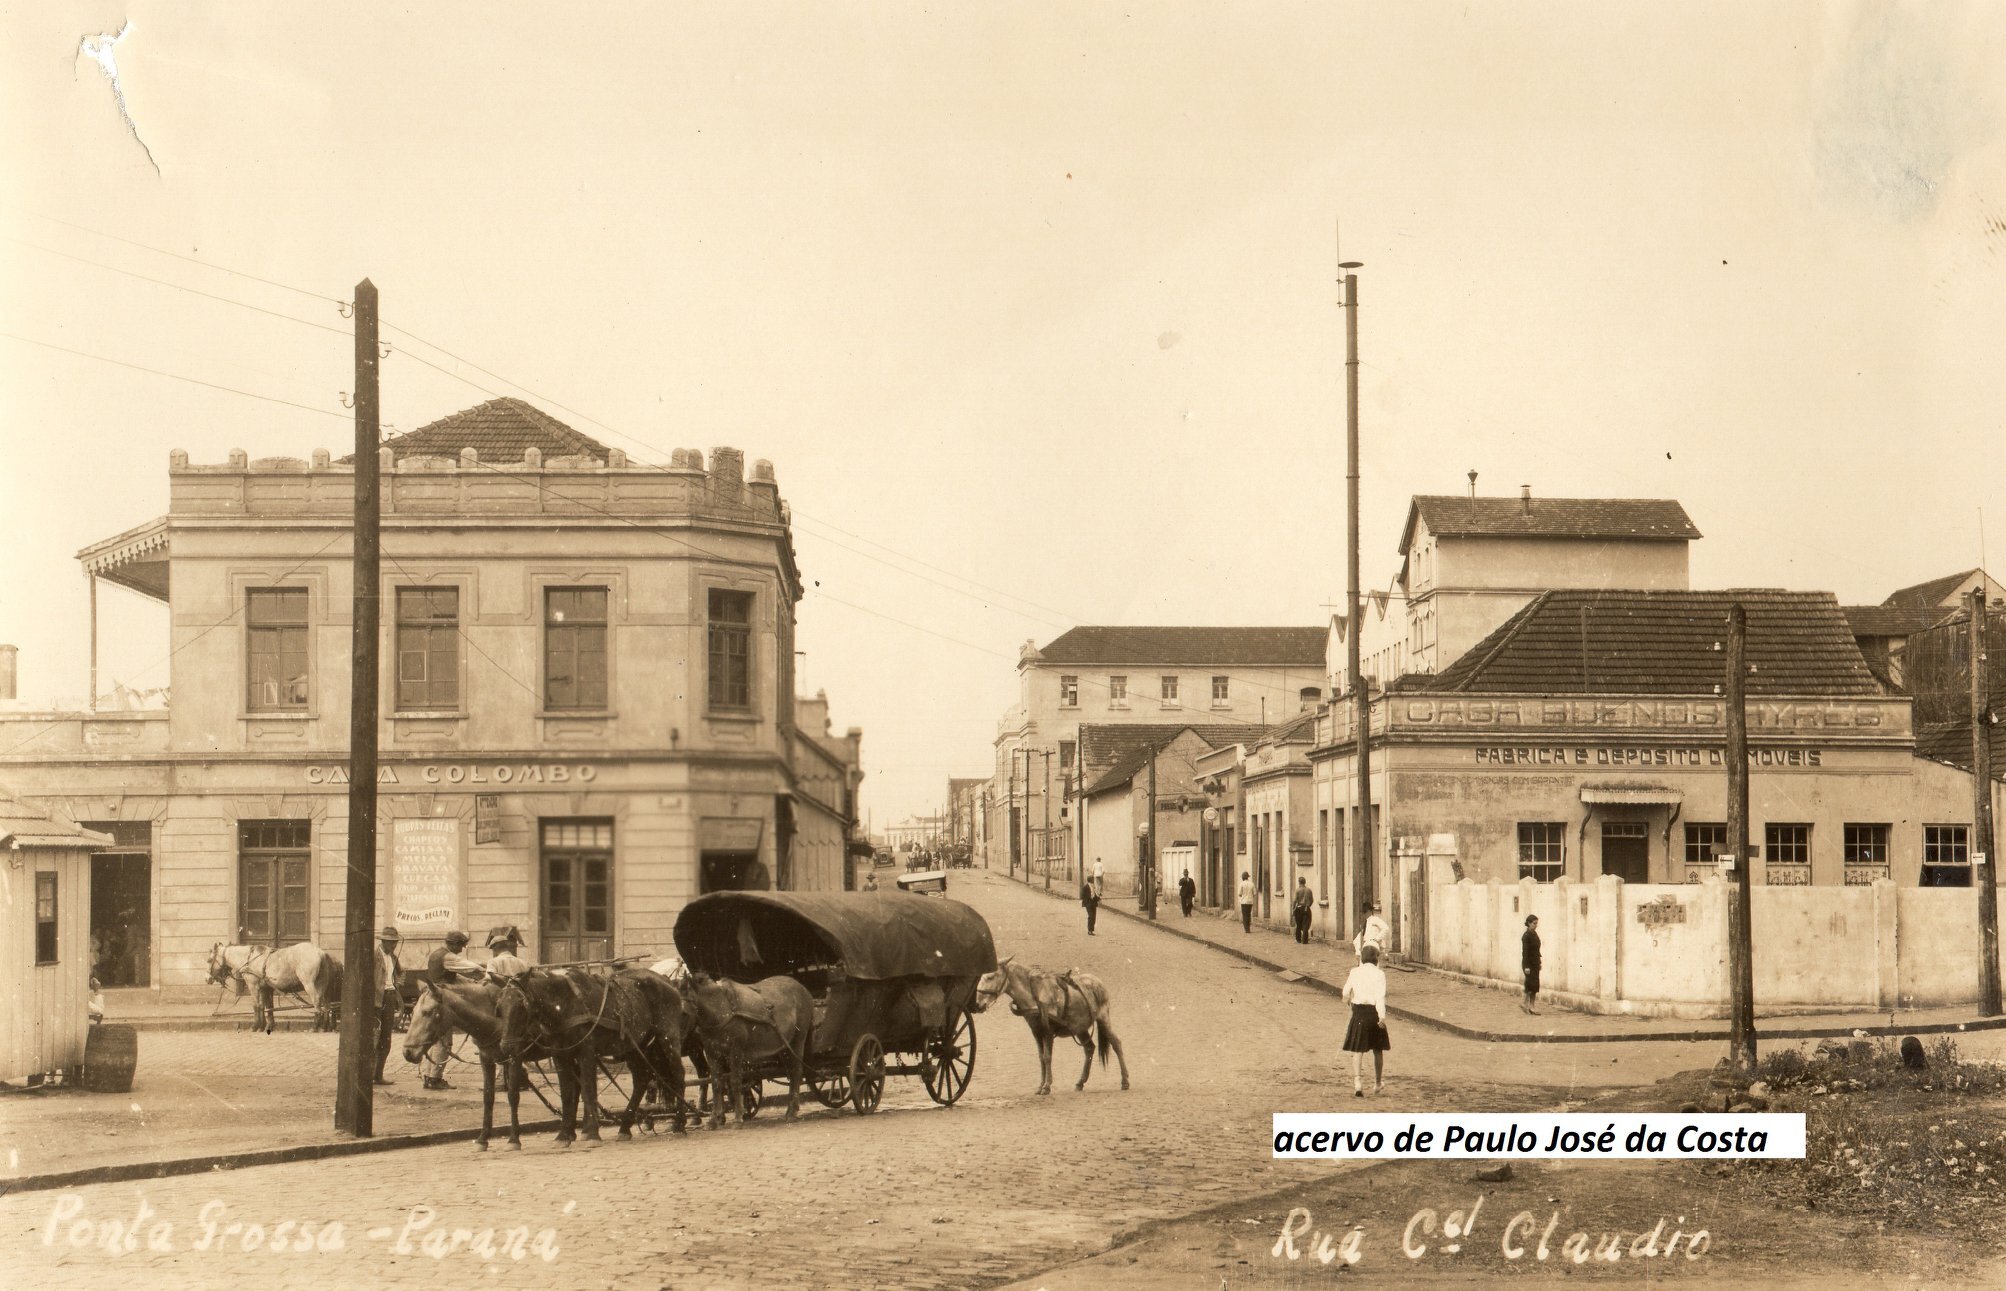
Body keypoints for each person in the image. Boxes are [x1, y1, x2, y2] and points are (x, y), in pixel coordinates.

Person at [422, 931, 482, 1090]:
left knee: (435, 1040)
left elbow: (452, 977)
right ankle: (435, 1079)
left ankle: (428, 1077)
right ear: (453, 944)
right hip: (442, 1001)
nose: (462, 949)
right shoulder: (448, 957)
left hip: (433, 999)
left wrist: (471, 982)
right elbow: (470, 967)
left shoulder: (437, 954)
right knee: (444, 1041)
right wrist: (485, 970)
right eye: (461, 946)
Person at [1341, 944, 1391, 1096]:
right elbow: (1380, 997)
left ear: (1362, 958)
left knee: (1358, 1049)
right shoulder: (1379, 974)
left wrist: (1348, 999)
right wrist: (1382, 1017)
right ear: (1376, 959)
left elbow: (1345, 992)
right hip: (1373, 1013)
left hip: (1358, 1013)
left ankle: (1357, 1083)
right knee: (1378, 1050)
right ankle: (1377, 1083)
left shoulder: (1355, 971)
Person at [373, 926, 402, 1084]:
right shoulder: (373, 955)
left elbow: (401, 972)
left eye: (395, 943)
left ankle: (378, 1075)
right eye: (391, 943)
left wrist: (397, 983)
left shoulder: (393, 957)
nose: (394, 946)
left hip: (390, 998)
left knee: (386, 1037)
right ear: (383, 941)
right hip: (376, 1000)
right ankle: (368, 1075)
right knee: (373, 1037)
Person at [1521, 915, 1542, 1015]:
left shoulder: (1534, 934)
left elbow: (1537, 950)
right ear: (1529, 923)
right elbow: (1525, 953)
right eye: (1534, 923)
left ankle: (1531, 1006)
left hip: (1535, 963)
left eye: (1536, 923)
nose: (1536, 925)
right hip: (1529, 964)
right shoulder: (1526, 936)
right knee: (1530, 985)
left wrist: (1539, 962)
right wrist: (1526, 967)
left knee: (1534, 986)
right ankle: (1525, 1004)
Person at [1291, 877, 1315, 944]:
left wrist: (1293, 909)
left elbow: (1294, 901)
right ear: (1305, 882)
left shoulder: (1298, 890)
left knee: (1298, 924)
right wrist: (1308, 905)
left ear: (1299, 882)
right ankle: (1305, 940)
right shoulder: (1309, 890)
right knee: (1305, 925)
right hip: (1307, 908)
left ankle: (1298, 940)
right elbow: (1312, 900)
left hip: (1299, 908)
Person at [1081, 864, 1102, 935]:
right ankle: (1089, 930)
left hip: (1094, 904)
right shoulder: (1085, 887)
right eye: (1093, 879)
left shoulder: (1094, 886)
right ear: (1090, 880)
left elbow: (1096, 894)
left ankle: (1092, 930)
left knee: (1094, 917)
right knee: (1091, 916)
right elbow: (1082, 896)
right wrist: (1087, 902)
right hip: (1088, 904)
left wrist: (1099, 899)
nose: (1094, 880)